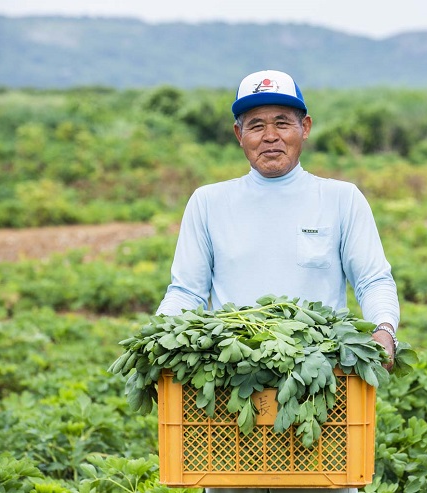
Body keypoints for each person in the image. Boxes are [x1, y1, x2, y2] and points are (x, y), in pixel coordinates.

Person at [156, 69, 400, 493]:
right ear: (239, 135)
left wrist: (384, 329)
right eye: (256, 125)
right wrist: (159, 340)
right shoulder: (209, 202)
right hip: (233, 391)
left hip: (322, 390)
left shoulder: (341, 199)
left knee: (325, 483)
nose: (270, 136)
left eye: (282, 122)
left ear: (304, 128)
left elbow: (373, 278)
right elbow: (187, 291)